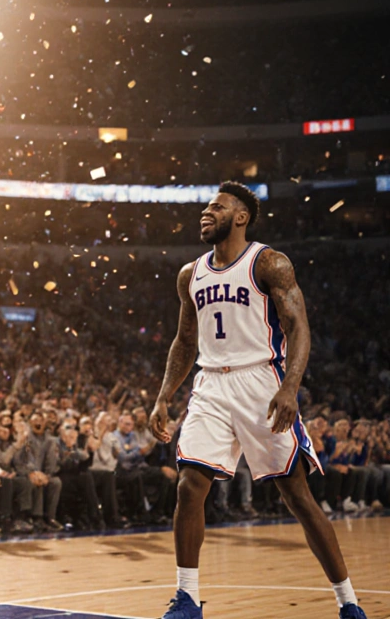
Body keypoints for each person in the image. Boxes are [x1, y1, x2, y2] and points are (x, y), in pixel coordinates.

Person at [150, 182, 366, 619]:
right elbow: (184, 340)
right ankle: (187, 598)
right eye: (206, 208)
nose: (206, 214)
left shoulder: (268, 262)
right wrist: (163, 396)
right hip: (210, 384)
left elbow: (298, 326)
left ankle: (348, 602)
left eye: (217, 208)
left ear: (241, 216)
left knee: (297, 497)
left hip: (260, 381)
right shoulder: (190, 274)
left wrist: (289, 387)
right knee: (190, 484)